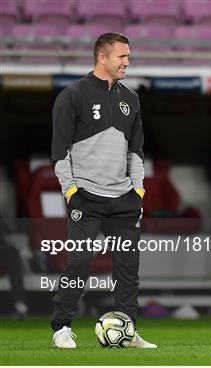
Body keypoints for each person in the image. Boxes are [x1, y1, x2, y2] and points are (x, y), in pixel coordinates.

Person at [50, 33, 155, 349]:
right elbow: (59, 153)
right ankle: (62, 327)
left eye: (128, 57)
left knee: (128, 268)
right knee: (80, 261)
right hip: (87, 197)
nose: (127, 62)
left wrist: (138, 192)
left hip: (123, 198)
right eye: (122, 57)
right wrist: (71, 193)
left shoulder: (131, 99)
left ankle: (128, 328)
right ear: (102, 58)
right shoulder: (72, 96)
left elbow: (135, 152)